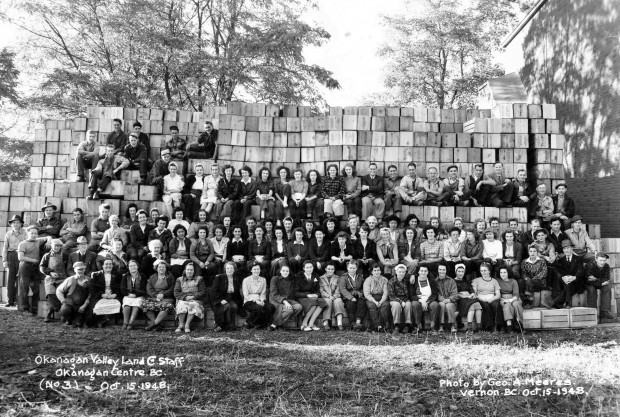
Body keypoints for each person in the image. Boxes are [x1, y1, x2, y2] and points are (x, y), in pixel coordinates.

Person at [17, 226, 46, 315]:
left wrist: (49, 239)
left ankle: (34, 308)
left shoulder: (38, 241)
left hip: (35, 267)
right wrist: (33, 260)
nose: (33, 235)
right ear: (27, 233)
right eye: (31, 233)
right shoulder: (22, 244)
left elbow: (48, 238)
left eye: (35, 233)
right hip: (25, 266)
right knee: (24, 287)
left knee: (36, 287)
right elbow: (20, 257)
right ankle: (24, 309)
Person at [174, 261, 207, 333]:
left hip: (196, 300)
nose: (189, 271)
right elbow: (176, 292)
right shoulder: (179, 279)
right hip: (183, 298)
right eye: (188, 269)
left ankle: (187, 324)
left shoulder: (200, 279)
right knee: (182, 304)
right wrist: (185, 297)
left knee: (192, 304)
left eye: (191, 270)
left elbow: (203, 292)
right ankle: (181, 324)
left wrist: (193, 297)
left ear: (194, 271)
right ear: (185, 270)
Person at [89, 258, 123, 328]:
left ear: (112, 266)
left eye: (110, 264)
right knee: (96, 307)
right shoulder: (96, 275)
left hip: (113, 296)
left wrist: (115, 294)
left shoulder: (118, 275)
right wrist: (102, 295)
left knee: (117, 304)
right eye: (106, 264)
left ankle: (105, 319)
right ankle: (100, 319)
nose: (108, 266)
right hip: (100, 296)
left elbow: (121, 287)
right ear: (102, 266)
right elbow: (92, 289)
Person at [40, 239, 67, 323]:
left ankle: (50, 313)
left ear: (60, 247)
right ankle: (61, 311)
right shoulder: (47, 255)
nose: (56, 247)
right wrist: (50, 272)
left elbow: (68, 267)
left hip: (62, 278)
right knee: (50, 294)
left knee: (60, 293)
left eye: (58, 246)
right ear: (51, 245)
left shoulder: (65, 255)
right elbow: (42, 267)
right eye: (55, 245)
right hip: (50, 278)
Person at [56, 262, 91, 327]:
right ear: (75, 270)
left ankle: (76, 319)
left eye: (82, 269)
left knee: (79, 324)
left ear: (85, 270)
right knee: (65, 309)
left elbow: (90, 295)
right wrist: (62, 300)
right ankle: (68, 319)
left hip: (81, 305)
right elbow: (59, 290)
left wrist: (84, 305)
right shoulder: (70, 279)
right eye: (79, 269)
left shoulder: (89, 280)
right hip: (70, 303)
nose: (81, 271)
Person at [144, 260, 176, 331]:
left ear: (166, 268)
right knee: (145, 306)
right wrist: (156, 295)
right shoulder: (152, 277)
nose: (161, 268)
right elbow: (149, 288)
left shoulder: (170, 277)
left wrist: (163, 294)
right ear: (157, 268)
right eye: (159, 267)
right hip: (154, 297)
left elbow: (172, 288)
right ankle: (157, 325)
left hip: (166, 297)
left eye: (163, 267)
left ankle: (153, 324)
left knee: (167, 306)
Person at [553, 240, 586, 308]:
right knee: (567, 284)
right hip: (565, 282)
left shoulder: (578, 259)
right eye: (564, 248)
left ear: (572, 248)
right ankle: (565, 302)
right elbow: (559, 271)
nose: (566, 250)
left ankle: (558, 302)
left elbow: (580, 271)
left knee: (568, 284)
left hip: (576, 282)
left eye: (568, 248)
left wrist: (573, 277)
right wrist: (563, 277)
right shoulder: (560, 260)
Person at [269, 265, 303, 330]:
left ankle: (276, 324)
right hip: (276, 300)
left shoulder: (290, 280)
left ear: (289, 272)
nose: (285, 272)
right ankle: (276, 324)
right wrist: (285, 302)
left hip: (288, 300)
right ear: (280, 271)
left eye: (287, 271)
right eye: (283, 271)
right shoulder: (275, 278)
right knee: (289, 310)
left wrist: (289, 302)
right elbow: (274, 294)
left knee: (299, 307)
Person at [2, 215, 26, 307]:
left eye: (18, 222)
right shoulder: (8, 234)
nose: (16, 224)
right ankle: (10, 300)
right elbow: (5, 248)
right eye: (14, 223)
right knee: (10, 279)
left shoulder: (25, 233)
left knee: (20, 279)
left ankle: (18, 301)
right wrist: (5, 260)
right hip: (11, 256)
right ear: (11, 224)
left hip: (21, 255)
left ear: (21, 224)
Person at [294, 261, 326, 331]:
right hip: (302, 297)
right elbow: (296, 293)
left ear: (313, 268)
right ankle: (304, 323)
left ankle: (311, 323)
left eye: (310, 267)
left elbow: (318, 291)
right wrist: (307, 295)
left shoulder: (315, 276)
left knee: (322, 302)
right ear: (304, 268)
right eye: (307, 267)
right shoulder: (299, 277)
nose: (309, 269)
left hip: (312, 297)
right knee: (313, 303)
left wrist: (316, 295)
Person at [241, 263, 274, 329]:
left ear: (260, 270)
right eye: (254, 269)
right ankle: (246, 323)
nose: (256, 271)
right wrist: (256, 301)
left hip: (260, 299)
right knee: (259, 309)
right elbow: (246, 294)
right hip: (249, 300)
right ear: (251, 270)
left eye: (258, 269)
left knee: (271, 307)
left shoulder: (263, 280)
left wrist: (261, 300)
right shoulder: (246, 280)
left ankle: (262, 325)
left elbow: (263, 293)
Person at [471, 262, 501, 331]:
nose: (483, 272)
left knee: (496, 305)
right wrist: (481, 298)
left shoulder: (494, 281)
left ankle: (496, 326)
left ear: (489, 271)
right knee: (486, 306)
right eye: (481, 271)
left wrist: (492, 299)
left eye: (485, 270)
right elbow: (474, 293)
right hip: (480, 298)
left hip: (491, 298)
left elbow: (498, 294)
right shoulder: (477, 280)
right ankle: (488, 326)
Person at [453, 263, 482, 333]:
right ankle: (469, 328)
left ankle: (479, 327)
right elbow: (455, 293)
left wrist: (472, 294)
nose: (460, 273)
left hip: (469, 298)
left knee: (478, 305)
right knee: (473, 304)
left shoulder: (466, 281)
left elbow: (471, 289)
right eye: (459, 271)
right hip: (460, 299)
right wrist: (466, 296)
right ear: (456, 272)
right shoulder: (453, 281)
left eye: (462, 271)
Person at [409, 265, 439, 332]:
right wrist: (422, 301)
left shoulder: (431, 280)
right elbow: (412, 295)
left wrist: (427, 301)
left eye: (425, 271)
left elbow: (434, 293)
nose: (423, 273)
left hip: (429, 300)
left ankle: (432, 326)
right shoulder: (414, 280)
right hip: (418, 300)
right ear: (418, 272)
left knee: (435, 305)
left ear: (428, 272)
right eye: (421, 271)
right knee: (415, 304)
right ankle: (418, 326)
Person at [585, 252, 614, 322]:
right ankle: (593, 312)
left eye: (604, 260)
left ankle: (604, 311)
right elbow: (589, 280)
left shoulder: (606, 266)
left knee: (607, 288)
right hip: (590, 284)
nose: (602, 262)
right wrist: (601, 283)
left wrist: (596, 279)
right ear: (596, 259)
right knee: (592, 290)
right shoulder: (590, 265)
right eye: (600, 260)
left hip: (599, 283)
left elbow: (606, 279)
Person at [339, 260, 367, 331]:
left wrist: (360, 293)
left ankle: (358, 322)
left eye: (354, 268)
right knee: (350, 305)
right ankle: (352, 323)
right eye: (350, 268)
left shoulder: (360, 277)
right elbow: (343, 289)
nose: (352, 270)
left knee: (362, 303)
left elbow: (363, 287)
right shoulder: (344, 277)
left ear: (356, 268)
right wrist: (350, 298)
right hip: (348, 296)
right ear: (347, 268)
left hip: (358, 295)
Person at [120, 259, 148, 330]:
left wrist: (136, 295)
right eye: (131, 266)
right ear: (128, 267)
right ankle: (125, 323)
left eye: (134, 265)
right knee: (127, 304)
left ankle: (130, 324)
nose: (132, 267)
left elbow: (143, 288)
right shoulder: (125, 276)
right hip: (128, 295)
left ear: (137, 266)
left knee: (137, 304)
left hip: (139, 296)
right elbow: (122, 288)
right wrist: (128, 294)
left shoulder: (142, 276)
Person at [319, 263, 346, 330]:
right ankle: (326, 323)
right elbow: (321, 291)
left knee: (338, 301)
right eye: (329, 269)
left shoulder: (337, 278)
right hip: (326, 297)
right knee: (327, 302)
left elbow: (338, 288)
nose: (330, 271)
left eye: (332, 269)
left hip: (336, 296)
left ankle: (339, 323)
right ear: (325, 269)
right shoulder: (321, 278)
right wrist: (328, 296)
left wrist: (334, 296)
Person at [364, 264, 390, 332]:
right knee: (372, 306)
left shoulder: (385, 280)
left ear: (380, 271)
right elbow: (367, 294)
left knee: (385, 305)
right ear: (372, 272)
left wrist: (381, 302)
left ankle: (384, 325)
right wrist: (375, 302)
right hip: (371, 298)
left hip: (382, 298)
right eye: (374, 270)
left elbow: (385, 293)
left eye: (378, 270)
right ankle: (378, 326)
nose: (376, 272)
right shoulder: (368, 280)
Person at [497, 266, 524, 333]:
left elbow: (516, 294)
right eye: (501, 272)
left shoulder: (513, 281)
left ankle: (519, 325)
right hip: (503, 298)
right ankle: (509, 327)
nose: (502, 274)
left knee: (516, 304)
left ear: (508, 273)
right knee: (507, 305)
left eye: (504, 272)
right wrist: (504, 299)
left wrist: (510, 300)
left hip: (513, 297)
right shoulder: (497, 281)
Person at [388, 264, 413, 334]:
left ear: (405, 272)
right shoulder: (391, 282)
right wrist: (400, 301)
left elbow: (408, 294)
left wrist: (404, 301)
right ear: (396, 272)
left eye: (403, 272)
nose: (401, 273)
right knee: (396, 305)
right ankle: (396, 325)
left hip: (405, 299)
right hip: (394, 299)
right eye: (400, 272)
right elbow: (391, 295)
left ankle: (407, 325)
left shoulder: (406, 281)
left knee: (408, 304)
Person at [435, 264, 458, 333]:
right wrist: (442, 299)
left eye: (443, 270)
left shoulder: (451, 281)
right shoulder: (435, 281)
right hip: (441, 301)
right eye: (440, 269)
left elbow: (455, 293)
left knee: (449, 305)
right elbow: (436, 293)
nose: (442, 271)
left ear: (446, 271)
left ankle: (452, 325)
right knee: (441, 304)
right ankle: (441, 325)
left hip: (451, 302)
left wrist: (449, 299)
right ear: (438, 270)